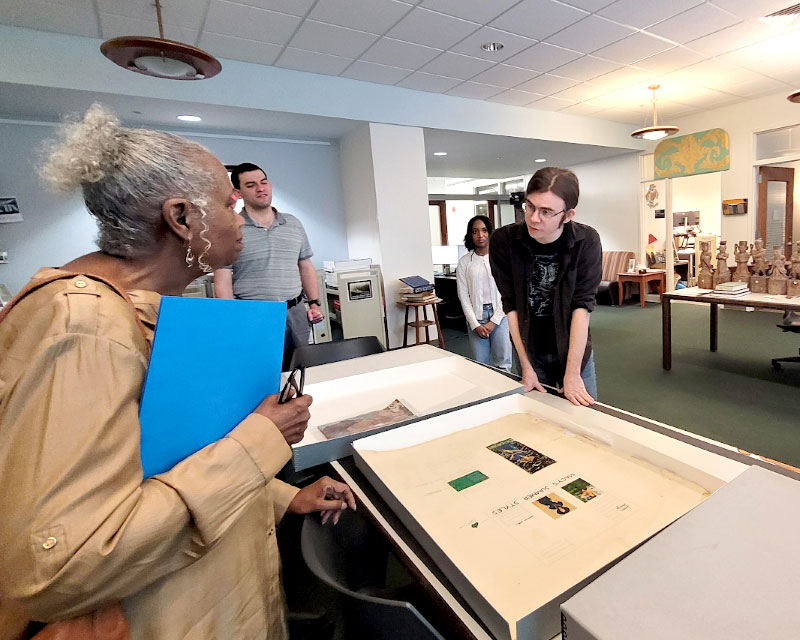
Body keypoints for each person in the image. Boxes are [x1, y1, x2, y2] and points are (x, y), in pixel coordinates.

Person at [0, 105, 355, 640]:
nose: (238, 218)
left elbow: (166, 463)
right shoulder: (84, 327)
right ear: (182, 217)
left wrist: (281, 495)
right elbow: (58, 565)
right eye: (228, 203)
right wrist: (260, 442)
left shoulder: (149, 310)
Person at [490, 167, 601, 407]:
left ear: (568, 215)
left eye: (546, 211)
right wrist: (526, 366)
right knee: (538, 424)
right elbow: (511, 307)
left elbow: (582, 308)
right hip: (530, 350)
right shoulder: (503, 241)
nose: (533, 218)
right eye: (529, 206)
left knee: (587, 426)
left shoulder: (586, 241)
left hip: (573, 351)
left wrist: (572, 374)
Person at [213, 163, 323, 369]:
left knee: (300, 370)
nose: (260, 188)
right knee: (261, 373)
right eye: (251, 185)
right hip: (254, 314)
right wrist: (231, 319)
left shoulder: (293, 224)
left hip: (295, 312)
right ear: (238, 192)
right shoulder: (231, 228)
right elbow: (222, 280)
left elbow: (305, 266)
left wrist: (314, 303)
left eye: (264, 182)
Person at [456, 215, 512, 371]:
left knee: (503, 363)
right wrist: (474, 324)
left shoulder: (501, 259)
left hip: (500, 316)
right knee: (481, 366)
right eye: (475, 232)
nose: (480, 235)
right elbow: (463, 296)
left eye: (484, 230)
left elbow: (507, 292)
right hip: (476, 317)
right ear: (470, 235)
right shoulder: (464, 262)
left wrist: (494, 321)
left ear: (490, 233)